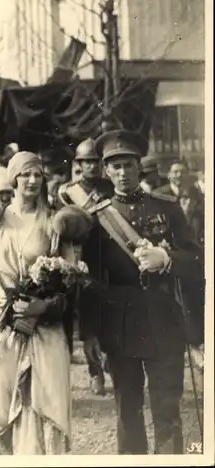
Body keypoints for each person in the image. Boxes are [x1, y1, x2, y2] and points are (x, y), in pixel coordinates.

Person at [0, 151, 88, 455]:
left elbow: (70, 282)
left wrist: (44, 307)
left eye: (38, 174)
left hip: (43, 333)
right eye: (25, 174)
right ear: (13, 179)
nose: (32, 180)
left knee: (42, 411)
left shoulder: (54, 223)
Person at [90, 130, 203, 454]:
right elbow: (93, 280)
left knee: (167, 406)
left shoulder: (166, 208)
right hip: (120, 324)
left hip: (163, 319)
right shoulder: (99, 219)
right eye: (115, 167)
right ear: (106, 172)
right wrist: (91, 333)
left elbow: (196, 260)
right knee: (128, 407)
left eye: (128, 165)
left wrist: (167, 259)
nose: (123, 173)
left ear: (140, 167)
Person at [58, 138, 114, 396]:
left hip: (112, 258)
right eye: (87, 162)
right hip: (85, 259)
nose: (92, 166)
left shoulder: (111, 188)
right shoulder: (67, 192)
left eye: (95, 162)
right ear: (79, 165)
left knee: (113, 314)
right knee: (89, 319)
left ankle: (111, 359)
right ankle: (95, 372)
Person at [157, 159, 204, 246]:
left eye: (183, 172)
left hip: (192, 241)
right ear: (168, 175)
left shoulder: (196, 193)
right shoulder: (159, 194)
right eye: (175, 172)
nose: (179, 175)